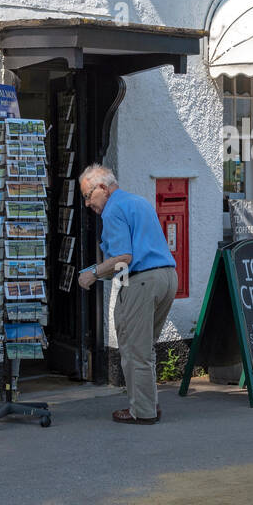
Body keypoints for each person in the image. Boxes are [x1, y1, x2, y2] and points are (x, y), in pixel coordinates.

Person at [78, 163, 178, 425]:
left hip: (142, 281)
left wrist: (93, 273)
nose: (88, 204)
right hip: (167, 277)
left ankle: (142, 411)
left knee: (135, 350)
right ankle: (148, 404)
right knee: (144, 348)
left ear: (102, 187)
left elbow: (123, 258)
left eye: (88, 196)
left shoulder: (112, 210)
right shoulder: (138, 202)